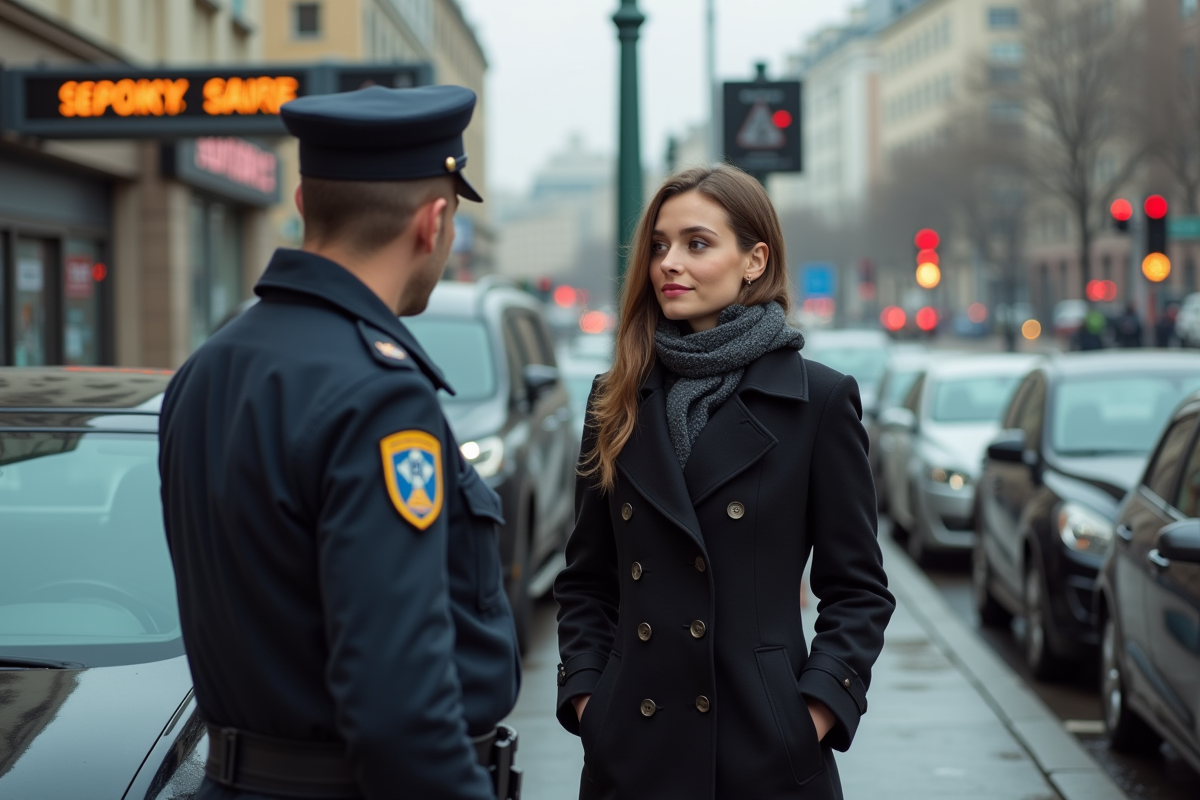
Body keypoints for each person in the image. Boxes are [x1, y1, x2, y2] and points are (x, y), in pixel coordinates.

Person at [159, 85, 520, 800]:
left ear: (301, 203)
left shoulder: (210, 365)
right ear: (434, 219)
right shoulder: (379, 392)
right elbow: (400, 707)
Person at [553, 165, 895, 800]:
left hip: (763, 756)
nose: (668, 263)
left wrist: (813, 712)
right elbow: (585, 580)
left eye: (697, 243)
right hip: (632, 754)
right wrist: (587, 701)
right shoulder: (617, 398)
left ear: (754, 260)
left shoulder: (816, 400)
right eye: (659, 245)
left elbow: (857, 590)